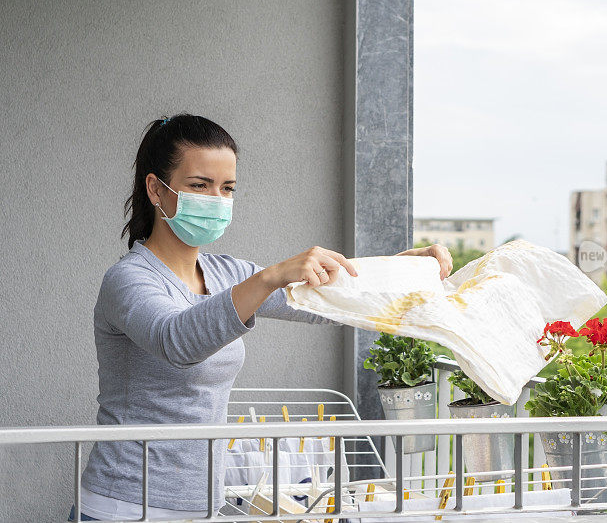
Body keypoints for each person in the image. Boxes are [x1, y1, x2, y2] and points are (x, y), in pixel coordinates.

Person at [68, 113, 453, 521]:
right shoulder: (128, 280)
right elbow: (177, 341)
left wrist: (405, 272)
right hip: (124, 507)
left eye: (227, 188)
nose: (215, 199)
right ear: (156, 190)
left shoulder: (225, 274)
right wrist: (268, 277)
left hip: (202, 508)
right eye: (200, 185)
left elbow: (326, 304)